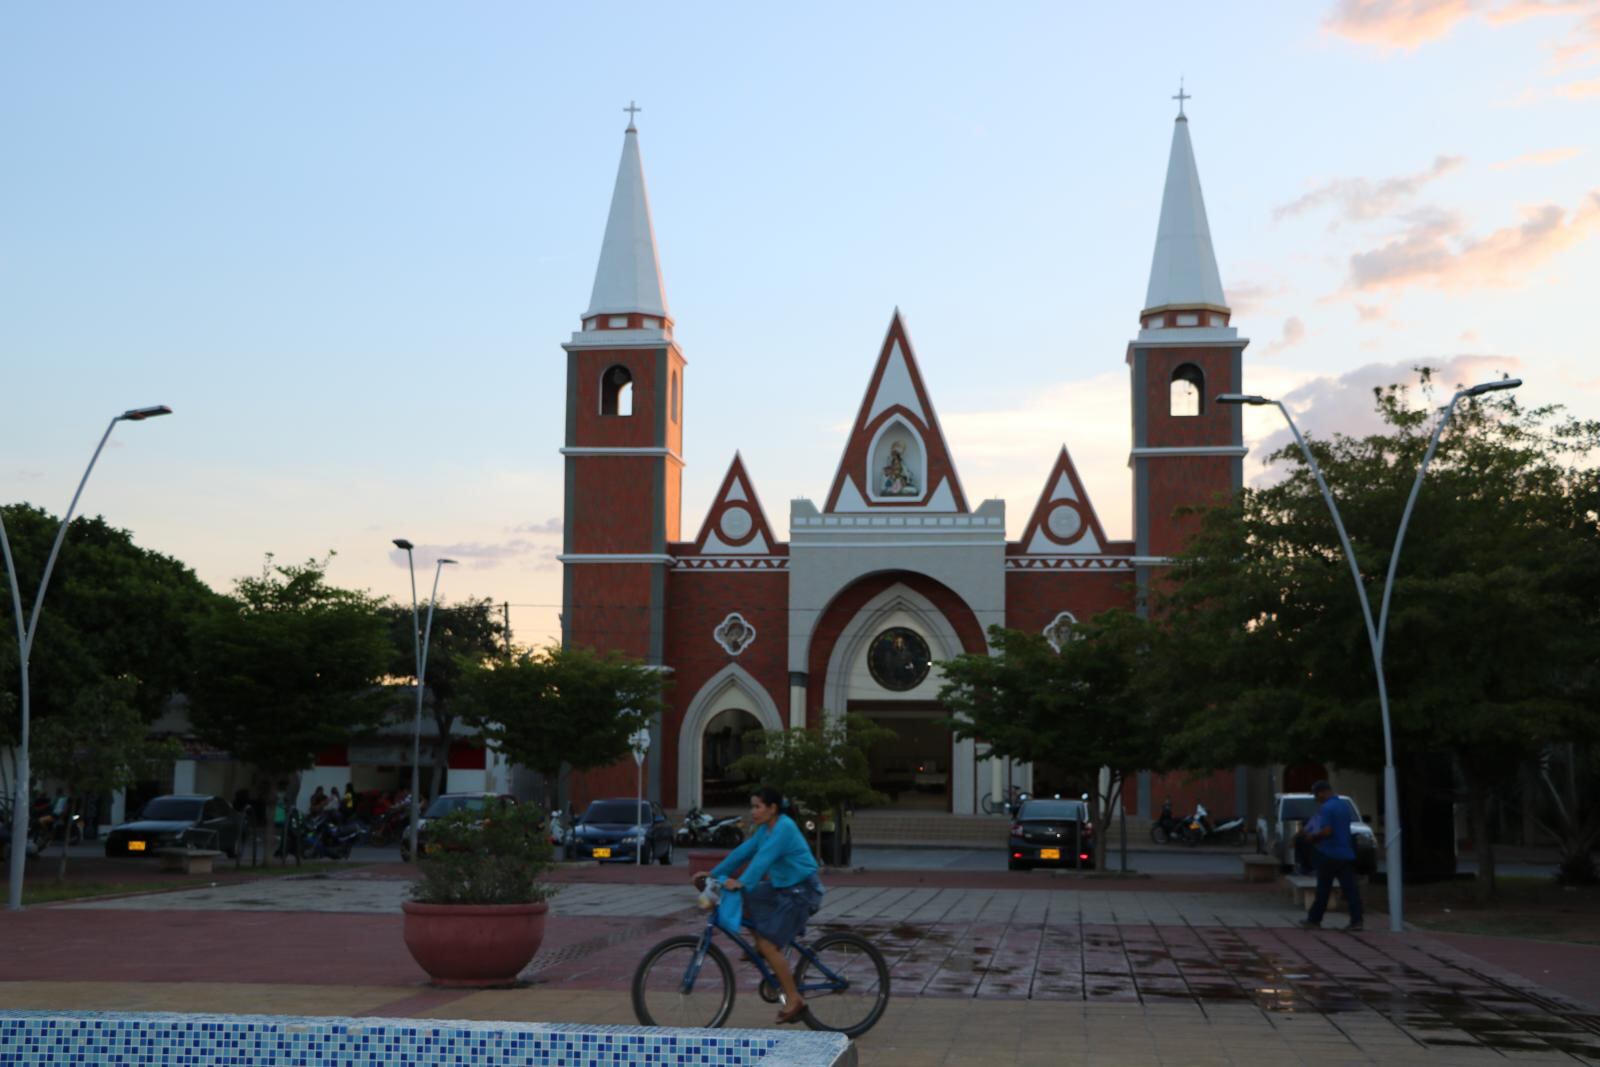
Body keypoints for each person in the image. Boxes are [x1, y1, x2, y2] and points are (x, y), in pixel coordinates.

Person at [693, 787, 824, 1024]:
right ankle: (760, 948)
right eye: (752, 806)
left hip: (802, 890)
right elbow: (742, 853)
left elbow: (763, 860)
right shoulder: (764, 830)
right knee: (747, 897)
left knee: (768, 942)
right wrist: (713, 874)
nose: (753, 811)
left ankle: (794, 999)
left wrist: (741, 882)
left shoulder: (784, 827)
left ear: (772, 808)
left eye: (757, 806)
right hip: (782, 887)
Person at [1299, 780, 1364, 933]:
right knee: (1351, 889)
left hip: (1329, 853)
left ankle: (1314, 920)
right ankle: (1357, 920)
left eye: (1316, 795)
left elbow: (1327, 831)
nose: (1316, 799)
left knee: (1323, 889)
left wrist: (1313, 837)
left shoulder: (1327, 808)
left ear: (1322, 792)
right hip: (1346, 853)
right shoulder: (1343, 805)